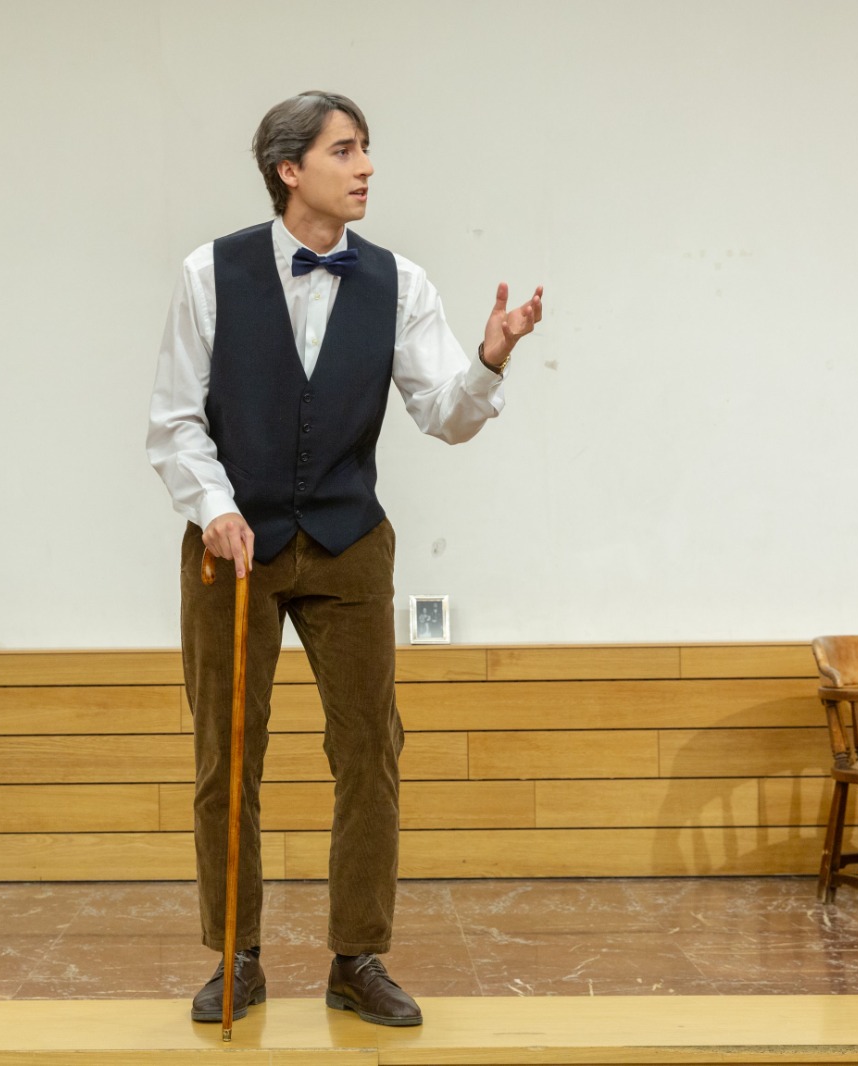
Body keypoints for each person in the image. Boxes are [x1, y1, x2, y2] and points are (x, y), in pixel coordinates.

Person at [146, 90, 542, 1028]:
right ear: (290, 170)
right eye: (345, 150)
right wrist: (215, 509)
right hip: (234, 547)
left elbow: (444, 414)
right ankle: (236, 957)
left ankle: (356, 957)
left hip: (349, 541)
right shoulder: (210, 273)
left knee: (370, 749)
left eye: (365, 149)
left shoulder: (399, 282)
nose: (365, 167)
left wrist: (489, 360)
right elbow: (174, 420)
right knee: (225, 755)